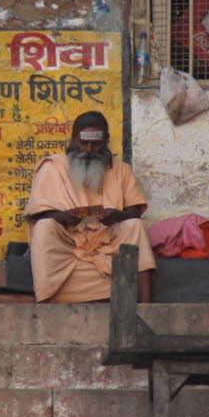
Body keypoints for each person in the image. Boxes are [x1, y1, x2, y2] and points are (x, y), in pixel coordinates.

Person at [24, 111, 155, 303]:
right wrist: (64, 216)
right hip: (69, 241)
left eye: (96, 144)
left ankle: (146, 307)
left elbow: (135, 210)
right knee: (45, 228)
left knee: (134, 225)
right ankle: (47, 299)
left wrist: (117, 215)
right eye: (83, 143)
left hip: (108, 241)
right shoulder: (53, 166)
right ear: (74, 139)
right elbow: (39, 214)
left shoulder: (121, 169)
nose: (89, 149)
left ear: (106, 141)